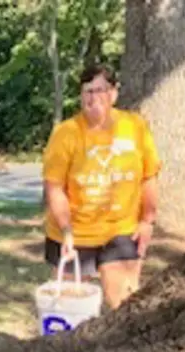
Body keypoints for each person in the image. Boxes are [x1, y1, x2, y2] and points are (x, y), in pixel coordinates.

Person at [42, 64, 161, 310]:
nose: (93, 97)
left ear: (114, 93)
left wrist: (148, 221)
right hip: (74, 234)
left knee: (125, 308)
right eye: (87, 91)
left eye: (100, 90)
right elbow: (55, 188)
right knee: (65, 309)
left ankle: (123, 348)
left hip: (121, 231)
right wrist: (66, 232)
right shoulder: (66, 133)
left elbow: (149, 177)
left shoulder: (135, 127)